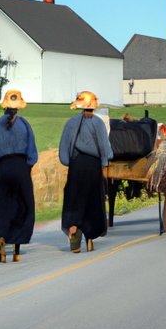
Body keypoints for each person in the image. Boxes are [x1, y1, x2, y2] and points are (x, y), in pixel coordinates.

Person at [0, 89, 38, 263]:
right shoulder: (24, 125)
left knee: (0, 205)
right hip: (20, 167)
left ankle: (0, 237)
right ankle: (16, 245)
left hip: (2, 169)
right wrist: (25, 167)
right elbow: (32, 154)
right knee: (23, 205)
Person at [59, 91, 113, 253]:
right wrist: (104, 162)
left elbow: (63, 152)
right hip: (93, 166)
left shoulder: (71, 123)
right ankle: (89, 238)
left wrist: (71, 163)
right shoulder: (98, 123)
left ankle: (74, 230)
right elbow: (105, 148)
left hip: (76, 166)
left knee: (74, 200)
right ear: (94, 107)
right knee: (93, 201)